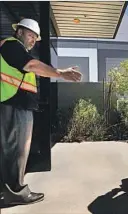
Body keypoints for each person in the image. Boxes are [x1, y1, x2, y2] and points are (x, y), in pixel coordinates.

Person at [0, 18, 82, 205]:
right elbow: (32, 66)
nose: (32, 40)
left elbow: (34, 68)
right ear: (19, 31)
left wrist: (58, 70)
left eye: (35, 38)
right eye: (30, 35)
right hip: (14, 106)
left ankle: (7, 191)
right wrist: (60, 74)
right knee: (16, 151)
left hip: (13, 105)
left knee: (11, 151)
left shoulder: (14, 51)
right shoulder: (12, 46)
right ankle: (15, 193)